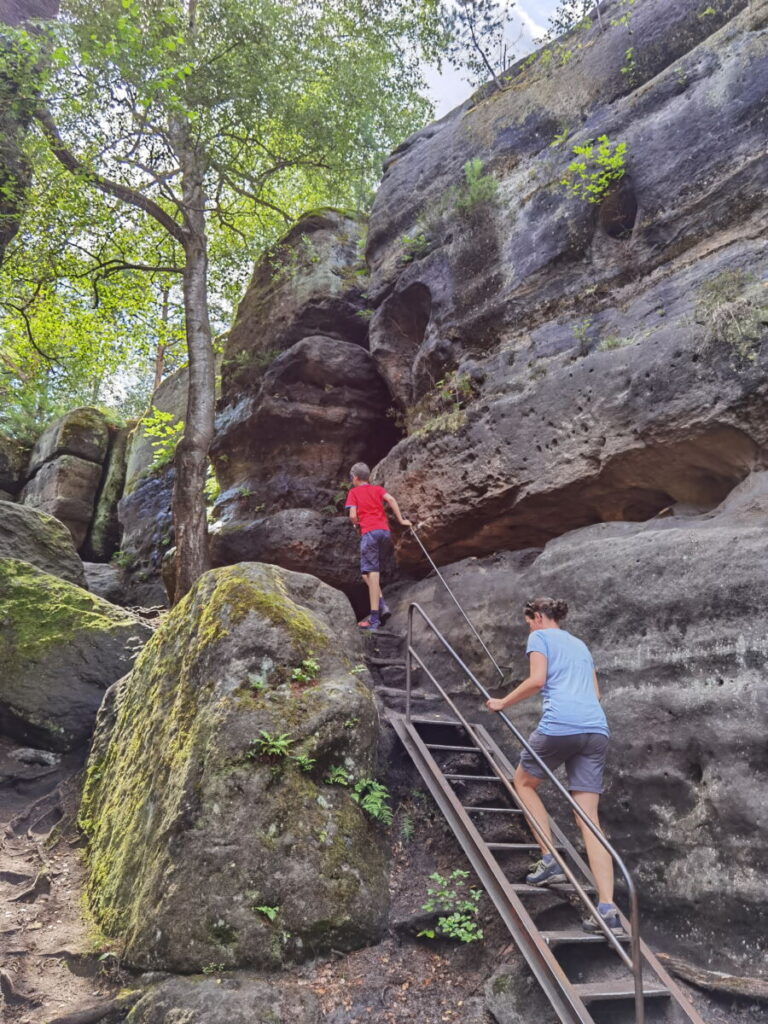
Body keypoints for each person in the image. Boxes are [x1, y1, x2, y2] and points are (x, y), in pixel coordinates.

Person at [485, 597, 625, 937]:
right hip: (595, 729)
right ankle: (607, 906)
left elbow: (537, 680)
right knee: (589, 818)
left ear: (537, 616)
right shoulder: (580, 646)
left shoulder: (540, 637)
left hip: (561, 723)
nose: (528, 627)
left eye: (528, 621)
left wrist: (502, 702)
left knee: (523, 782)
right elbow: (596, 693)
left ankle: (549, 859)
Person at [345, 462, 411, 631]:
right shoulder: (377, 489)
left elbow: (352, 515)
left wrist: (357, 524)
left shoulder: (354, 492)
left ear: (355, 478)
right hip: (384, 533)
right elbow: (390, 499)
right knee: (366, 574)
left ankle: (374, 619)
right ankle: (382, 604)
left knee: (372, 574)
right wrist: (401, 520)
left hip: (370, 533)